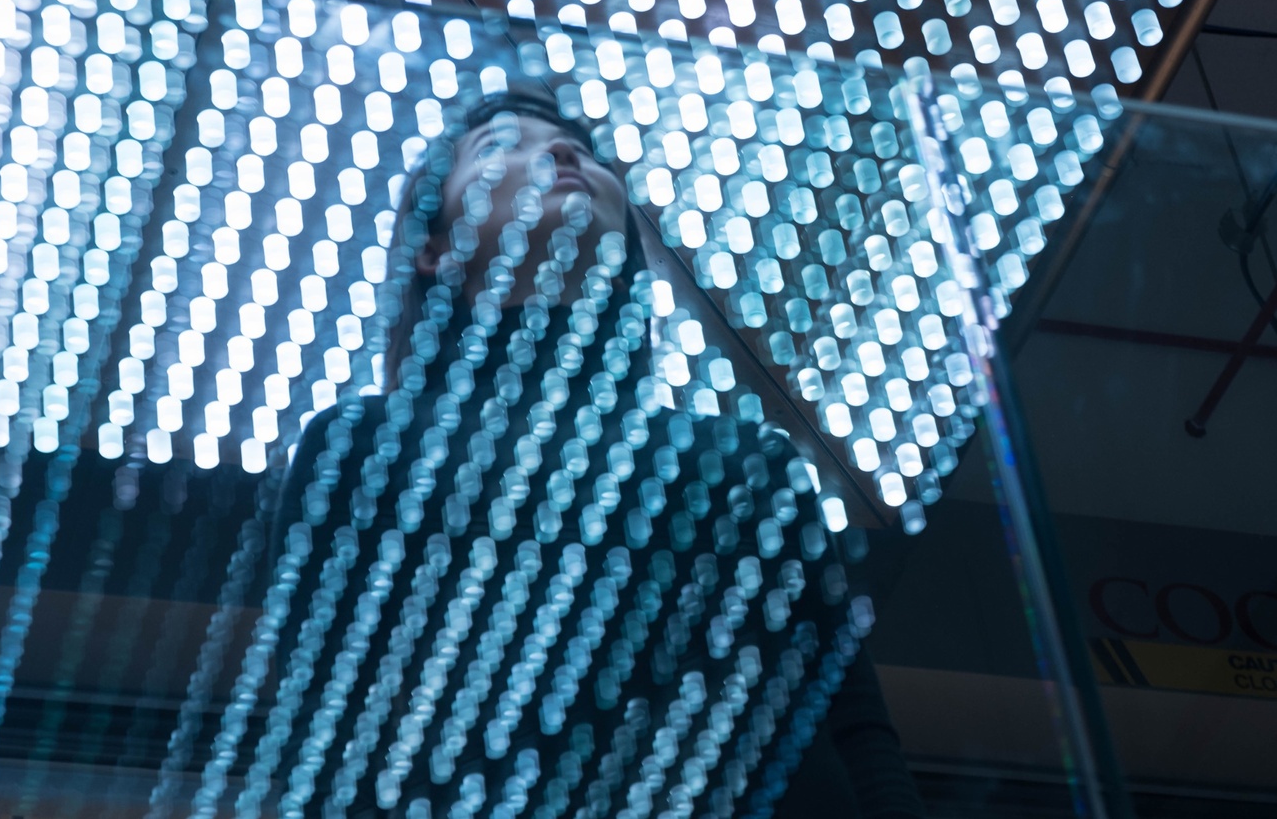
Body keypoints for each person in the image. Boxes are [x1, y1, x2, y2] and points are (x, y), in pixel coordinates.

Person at [260, 89, 924, 818]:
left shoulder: (746, 463)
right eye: (497, 146)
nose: (563, 152)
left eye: (580, 145)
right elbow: (318, 729)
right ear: (434, 248)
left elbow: (855, 732)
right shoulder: (360, 449)